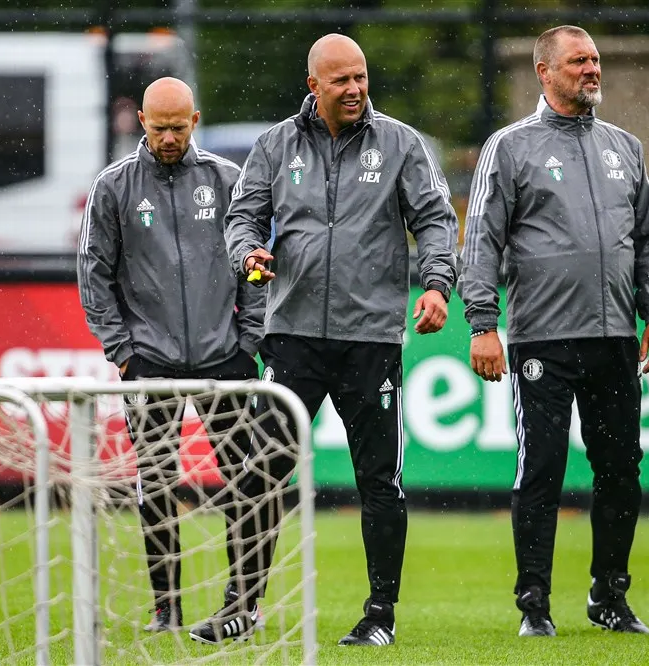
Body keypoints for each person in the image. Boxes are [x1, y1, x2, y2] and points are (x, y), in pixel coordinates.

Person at [189, 34, 458, 646]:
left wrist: (438, 285)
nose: (356, 90)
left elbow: (436, 221)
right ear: (314, 86)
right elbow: (242, 217)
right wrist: (247, 252)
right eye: (341, 81)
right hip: (291, 338)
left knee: (378, 480)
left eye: (362, 77)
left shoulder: (400, 144)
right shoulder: (276, 145)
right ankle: (241, 607)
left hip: (370, 339)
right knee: (259, 476)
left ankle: (379, 615)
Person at [459, 25, 649, 638]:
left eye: (596, 60)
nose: (592, 69)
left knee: (620, 470)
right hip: (542, 340)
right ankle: (534, 605)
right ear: (544, 72)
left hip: (614, 339)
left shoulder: (624, 148)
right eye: (578, 60)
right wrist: (483, 323)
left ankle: (610, 596)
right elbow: (480, 242)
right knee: (543, 470)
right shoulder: (509, 148)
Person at [77, 77, 266, 632]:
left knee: (241, 483)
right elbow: (94, 274)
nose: (168, 138)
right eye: (158, 128)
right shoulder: (113, 187)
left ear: (195, 121)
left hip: (222, 357)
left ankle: (242, 604)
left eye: (178, 128)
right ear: (141, 121)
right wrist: (122, 351)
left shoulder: (227, 180)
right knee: (157, 485)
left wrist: (248, 339)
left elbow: (253, 266)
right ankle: (167, 607)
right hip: (149, 361)